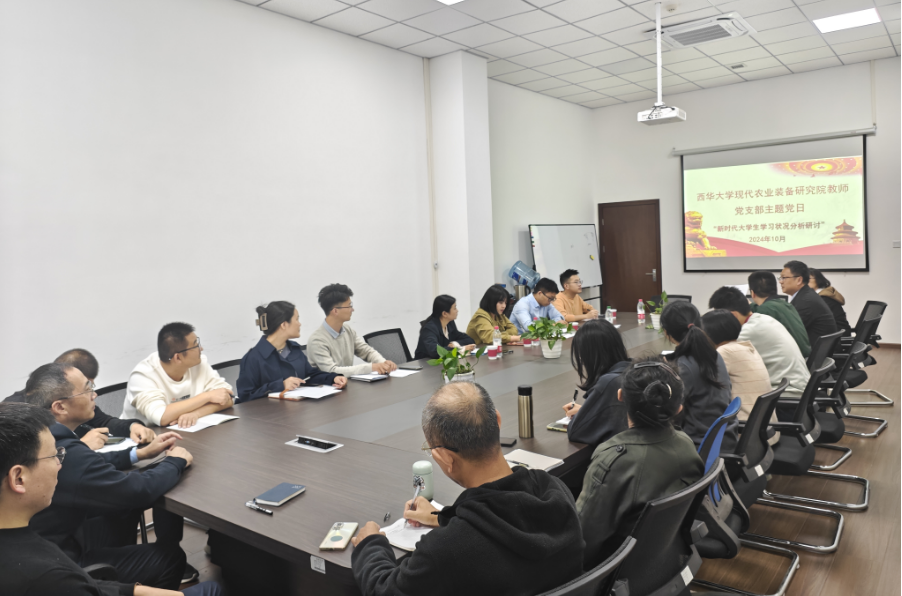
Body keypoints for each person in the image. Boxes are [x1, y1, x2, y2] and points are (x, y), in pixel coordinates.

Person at [350, 382, 585, 596]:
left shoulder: (446, 550)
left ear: (445, 457)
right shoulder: (555, 490)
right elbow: (500, 516)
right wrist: (441, 517)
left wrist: (370, 544)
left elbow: (384, 590)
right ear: (498, 422)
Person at [0, 402, 222, 596]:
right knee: (213, 589)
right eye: (55, 456)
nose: (60, 465)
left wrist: (132, 590)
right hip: (79, 568)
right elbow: (82, 586)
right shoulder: (47, 573)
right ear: (18, 478)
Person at [24, 364, 196, 589]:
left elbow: (86, 466)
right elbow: (137, 491)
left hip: (36, 550)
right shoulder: (60, 449)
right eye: (87, 389)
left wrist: (139, 454)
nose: (94, 394)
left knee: (122, 510)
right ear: (60, 407)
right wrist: (175, 462)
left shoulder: (31, 433)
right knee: (170, 557)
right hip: (60, 567)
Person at [576, 358, 704, 568]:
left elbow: (582, 541)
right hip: (660, 561)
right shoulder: (686, 444)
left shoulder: (615, 460)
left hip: (613, 569)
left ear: (620, 396)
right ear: (678, 408)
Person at [5, 349, 156, 450]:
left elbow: (104, 421)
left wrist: (133, 427)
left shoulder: (77, 401)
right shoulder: (14, 412)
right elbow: (27, 459)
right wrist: (80, 445)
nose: (93, 394)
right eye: (86, 387)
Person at [122, 323, 234, 429]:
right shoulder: (143, 376)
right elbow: (161, 417)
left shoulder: (198, 363)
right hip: (141, 437)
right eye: (195, 345)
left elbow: (228, 397)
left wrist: (195, 414)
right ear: (178, 358)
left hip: (182, 432)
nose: (201, 349)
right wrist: (207, 396)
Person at [660, 301, 737, 450]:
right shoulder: (714, 355)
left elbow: (667, 412)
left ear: (666, 333)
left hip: (701, 446)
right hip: (723, 438)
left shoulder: (683, 367)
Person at [706, 286, 810, 396]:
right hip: (797, 388)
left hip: (786, 394)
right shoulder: (763, 319)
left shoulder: (747, 331)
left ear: (733, 315)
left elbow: (715, 356)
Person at [236, 301, 346, 402]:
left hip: (299, 410)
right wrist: (281, 385)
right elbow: (245, 396)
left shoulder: (294, 349)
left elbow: (309, 375)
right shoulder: (253, 358)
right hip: (270, 414)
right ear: (284, 324)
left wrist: (333, 378)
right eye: (296, 319)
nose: (299, 324)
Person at [700, 310, 779, 441]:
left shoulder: (724, 352)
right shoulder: (746, 347)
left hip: (746, 434)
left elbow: (704, 385)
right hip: (765, 433)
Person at [561, 319, 630, 447]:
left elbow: (576, 432)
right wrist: (588, 411)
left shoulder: (609, 382)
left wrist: (583, 415)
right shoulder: (636, 369)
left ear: (589, 355)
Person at [307, 284, 398, 376]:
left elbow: (366, 351)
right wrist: (371, 367)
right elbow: (332, 371)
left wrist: (383, 363)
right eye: (349, 306)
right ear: (335, 311)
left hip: (347, 383)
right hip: (328, 385)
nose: (352, 309)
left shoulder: (347, 330)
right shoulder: (317, 341)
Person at [744, 272, 810, 357]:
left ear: (752, 293)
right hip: (803, 357)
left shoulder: (764, 311)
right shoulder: (785, 305)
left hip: (790, 359)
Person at [779, 260, 838, 349]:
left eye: (784, 278)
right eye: (780, 278)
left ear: (799, 280)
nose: (780, 282)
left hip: (815, 354)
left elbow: (788, 331)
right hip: (818, 351)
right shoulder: (805, 295)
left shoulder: (805, 301)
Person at [414, 295, 476, 360]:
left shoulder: (449, 323)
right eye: (454, 308)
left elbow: (469, 340)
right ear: (444, 314)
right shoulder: (429, 328)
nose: (457, 310)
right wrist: (461, 349)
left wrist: (454, 344)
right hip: (425, 363)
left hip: (443, 362)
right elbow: (435, 351)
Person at [808, 268, 852, 334]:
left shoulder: (824, 298)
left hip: (837, 334)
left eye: (807, 278)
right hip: (836, 332)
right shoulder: (824, 294)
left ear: (818, 279)